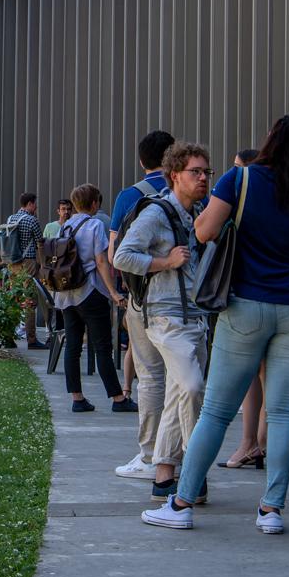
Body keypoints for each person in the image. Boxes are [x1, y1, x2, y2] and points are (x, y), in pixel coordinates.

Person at [142, 114, 289, 535]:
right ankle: (272, 510)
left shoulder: (241, 180)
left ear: (269, 141)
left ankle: (180, 504)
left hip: (246, 305)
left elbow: (202, 232)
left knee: (216, 411)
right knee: (284, 412)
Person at [114, 142, 214, 503]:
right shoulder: (157, 214)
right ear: (174, 175)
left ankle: (163, 476)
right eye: (195, 172)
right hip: (166, 318)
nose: (203, 178)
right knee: (190, 387)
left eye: (207, 172)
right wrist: (164, 262)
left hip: (195, 318)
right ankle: (194, 470)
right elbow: (122, 255)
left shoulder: (199, 212)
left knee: (177, 393)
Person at [108, 129, 175, 479]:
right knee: (183, 382)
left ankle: (149, 456)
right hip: (183, 301)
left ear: (141, 160)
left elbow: (114, 252)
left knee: (150, 378)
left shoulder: (129, 197)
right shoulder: (189, 193)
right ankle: (179, 459)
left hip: (144, 298)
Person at [53, 184, 125, 413]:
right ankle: (117, 398)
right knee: (103, 346)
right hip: (90, 291)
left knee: (72, 346)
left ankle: (77, 398)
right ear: (94, 204)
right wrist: (113, 292)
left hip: (67, 293)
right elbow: (101, 261)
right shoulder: (94, 224)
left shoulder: (64, 227)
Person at [221, 147, 269, 470]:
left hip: (252, 297)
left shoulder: (244, 195)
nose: (233, 172)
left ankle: (253, 445)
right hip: (277, 298)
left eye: (239, 168)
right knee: (263, 377)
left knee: (260, 376)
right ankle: (255, 444)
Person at [6, 192, 46, 349]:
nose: (36, 207)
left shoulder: (10, 219)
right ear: (30, 204)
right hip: (28, 262)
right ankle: (31, 339)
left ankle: (8, 336)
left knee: (13, 299)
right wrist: (43, 265)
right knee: (30, 300)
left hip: (12, 262)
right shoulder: (32, 220)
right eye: (35, 204)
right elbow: (40, 243)